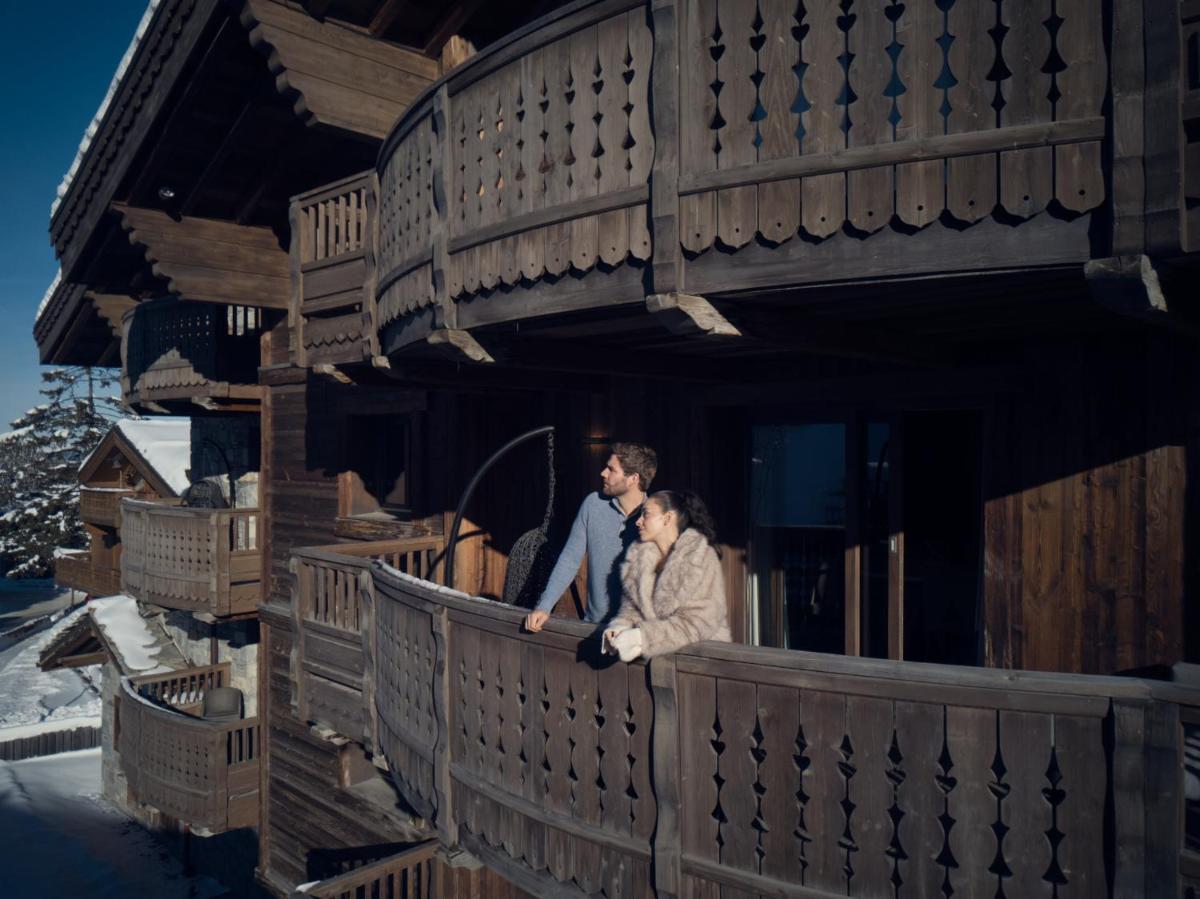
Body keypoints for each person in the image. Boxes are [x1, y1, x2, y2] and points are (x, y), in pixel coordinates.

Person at [522, 442, 658, 632]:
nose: (603, 473)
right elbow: (569, 559)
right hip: (593, 629)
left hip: (638, 637)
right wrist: (544, 606)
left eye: (611, 469)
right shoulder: (593, 505)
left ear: (633, 478)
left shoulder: (658, 516)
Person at [604, 490, 732, 661]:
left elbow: (696, 623)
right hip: (658, 667)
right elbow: (631, 611)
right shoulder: (637, 560)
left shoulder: (701, 557)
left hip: (703, 665)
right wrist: (618, 629)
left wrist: (641, 637)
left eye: (646, 515)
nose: (638, 522)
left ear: (667, 518)